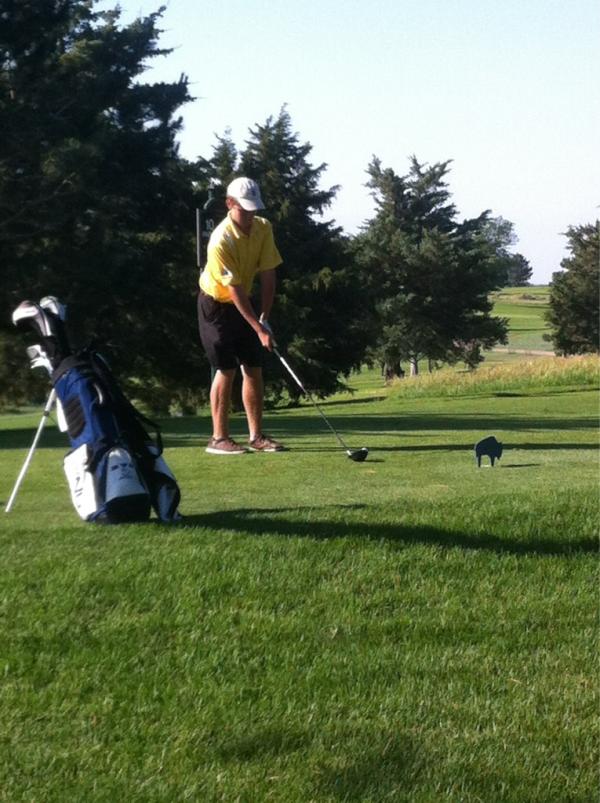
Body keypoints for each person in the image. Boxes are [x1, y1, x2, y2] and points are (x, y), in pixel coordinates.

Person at [197, 177, 285, 455]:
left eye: (253, 209)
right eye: (244, 209)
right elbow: (233, 290)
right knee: (226, 368)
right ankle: (218, 438)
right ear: (229, 204)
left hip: (244, 301)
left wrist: (264, 318)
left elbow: (269, 274)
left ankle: (256, 436)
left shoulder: (263, 228)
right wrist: (257, 328)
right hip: (216, 305)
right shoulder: (220, 240)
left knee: (253, 366)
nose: (250, 215)